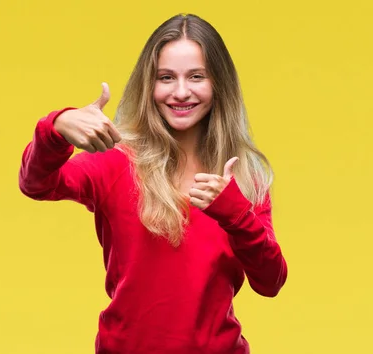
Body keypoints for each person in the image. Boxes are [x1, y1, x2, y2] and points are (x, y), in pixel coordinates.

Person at [18, 13, 287, 354]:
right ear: (150, 85)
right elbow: (36, 184)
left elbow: (271, 281)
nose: (180, 92)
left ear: (218, 84)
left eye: (196, 76)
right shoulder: (116, 162)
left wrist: (234, 213)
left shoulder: (244, 177)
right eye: (166, 77)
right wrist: (55, 127)